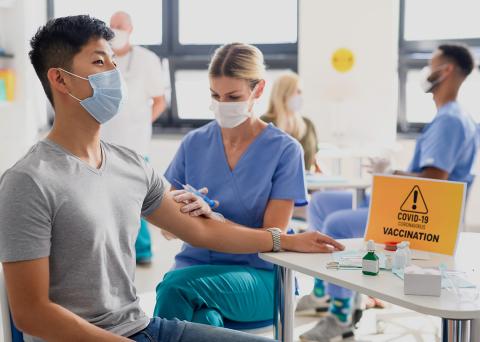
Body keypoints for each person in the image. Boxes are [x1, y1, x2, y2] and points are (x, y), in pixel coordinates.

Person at [0, 16, 344, 342]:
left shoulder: (131, 165)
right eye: (100, 62)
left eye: (114, 61)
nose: (115, 73)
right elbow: (31, 314)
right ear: (60, 79)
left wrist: (282, 240)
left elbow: (201, 229)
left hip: (141, 327)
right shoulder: (29, 181)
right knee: (182, 292)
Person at [299, 44, 479, 342]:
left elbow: (435, 179)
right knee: (322, 203)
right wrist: (390, 173)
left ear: (445, 71)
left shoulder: (450, 120)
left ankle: (341, 315)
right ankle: (324, 294)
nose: (425, 72)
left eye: (430, 64)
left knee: (336, 225)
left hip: (423, 218)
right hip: (406, 204)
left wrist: (391, 173)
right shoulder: (451, 117)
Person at [153, 43, 310, 327]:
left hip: (258, 277)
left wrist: (212, 219)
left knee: (174, 288)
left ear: (258, 90)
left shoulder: (285, 151)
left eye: (233, 96)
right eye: (215, 95)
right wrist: (186, 213)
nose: (223, 104)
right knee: (204, 321)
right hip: (196, 271)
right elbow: (166, 229)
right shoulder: (194, 143)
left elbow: (272, 237)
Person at [101, 11, 167, 265]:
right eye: (112, 26)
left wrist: (140, 123)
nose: (116, 30)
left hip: (136, 143)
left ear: (131, 29)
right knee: (106, 200)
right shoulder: (102, 58)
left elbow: (160, 100)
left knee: (136, 200)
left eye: (120, 26)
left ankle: (142, 252)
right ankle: (112, 253)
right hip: (104, 141)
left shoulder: (147, 59)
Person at [262, 71, 321, 173]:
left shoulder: (308, 124)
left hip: (307, 186)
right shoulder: (264, 123)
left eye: (301, 92)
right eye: (297, 91)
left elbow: (314, 162)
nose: (300, 96)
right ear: (284, 93)